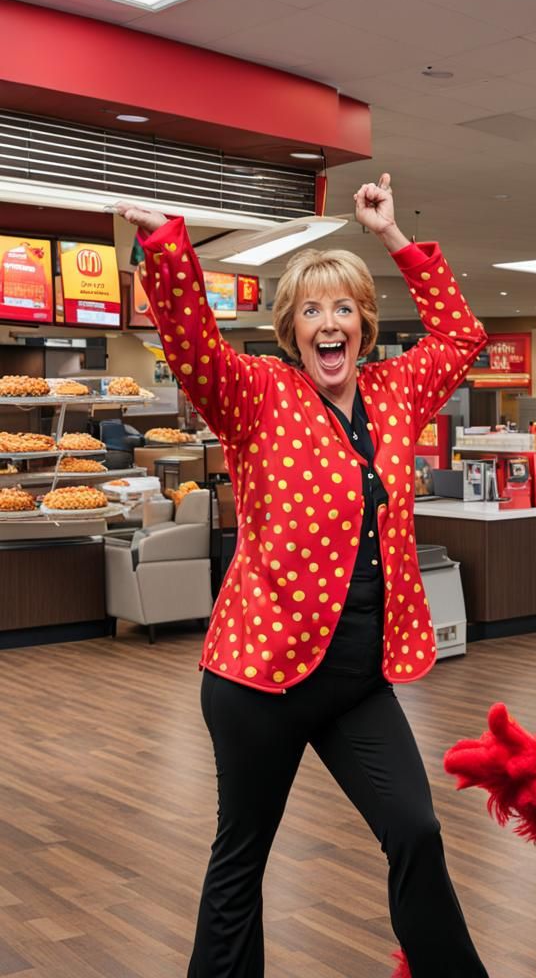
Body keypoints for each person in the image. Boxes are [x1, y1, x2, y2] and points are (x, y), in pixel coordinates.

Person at [117, 173, 489, 978]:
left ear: (363, 325)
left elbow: (462, 339)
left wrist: (394, 238)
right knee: (241, 864)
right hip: (259, 681)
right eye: (313, 310)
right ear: (291, 329)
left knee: (416, 831)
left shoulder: (394, 395)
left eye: (345, 309)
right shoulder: (257, 396)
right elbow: (192, 345)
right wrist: (164, 246)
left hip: (358, 678)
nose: (331, 324)